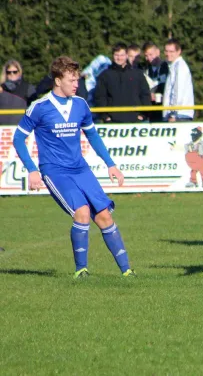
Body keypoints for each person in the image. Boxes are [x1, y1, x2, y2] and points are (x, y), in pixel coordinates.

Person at [12, 56, 136, 278]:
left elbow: (93, 136)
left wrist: (111, 164)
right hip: (55, 171)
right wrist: (32, 169)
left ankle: (127, 271)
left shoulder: (80, 104)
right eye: (72, 80)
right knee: (82, 212)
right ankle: (82, 271)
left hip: (81, 169)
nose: (76, 84)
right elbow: (19, 139)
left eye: (77, 80)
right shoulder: (39, 107)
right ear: (58, 81)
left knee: (105, 216)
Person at [94, 42, 151, 123]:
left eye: (122, 55)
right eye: (116, 55)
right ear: (112, 56)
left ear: (127, 55)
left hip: (135, 120)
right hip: (113, 122)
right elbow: (100, 97)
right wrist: (105, 116)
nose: (119, 58)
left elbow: (145, 94)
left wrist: (144, 115)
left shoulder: (137, 74)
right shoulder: (105, 75)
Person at [163, 38, 195, 122]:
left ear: (178, 51)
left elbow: (178, 92)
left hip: (179, 115)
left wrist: (174, 114)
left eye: (171, 51)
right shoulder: (173, 66)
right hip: (175, 114)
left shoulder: (179, 67)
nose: (168, 54)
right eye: (166, 51)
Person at [142, 41, 170, 122]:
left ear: (157, 52)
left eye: (151, 54)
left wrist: (157, 93)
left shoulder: (166, 67)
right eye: (146, 56)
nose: (149, 58)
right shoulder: (145, 69)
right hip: (150, 109)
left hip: (164, 108)